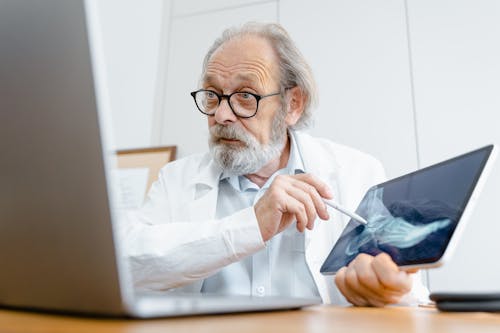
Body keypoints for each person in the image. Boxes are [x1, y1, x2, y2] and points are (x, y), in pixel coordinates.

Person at [123, 22, 428, 307]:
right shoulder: (177, 179)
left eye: (245, 95)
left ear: (293, 104)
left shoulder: (357, 172)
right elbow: (125, 263)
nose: (221, 116)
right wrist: (252, 226)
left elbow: (413, 295)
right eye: (213, 95)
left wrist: (390, 293)